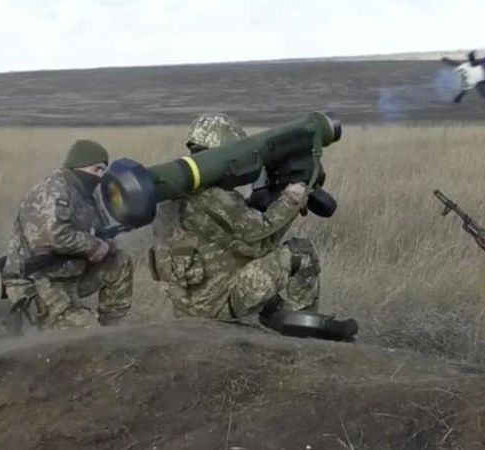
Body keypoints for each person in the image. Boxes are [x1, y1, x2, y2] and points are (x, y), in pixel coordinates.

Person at [149, 113, 351, 335]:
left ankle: (277, 316)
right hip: (216, 306)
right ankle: (304, 329)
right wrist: (291, 200)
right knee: (300, 252)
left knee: (249, 264)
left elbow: (229, 232)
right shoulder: (212, 196)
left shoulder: (174, 192)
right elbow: (259, 242)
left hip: (189, 304)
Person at [0, 139, 133, 331]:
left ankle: (112, 328)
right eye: (97, 169)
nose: (100, 176)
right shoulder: (54, 190)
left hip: (68, 274)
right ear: (80, 165)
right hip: (37, 281)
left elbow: (100, 229)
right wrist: (93, 245)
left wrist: (106, 245)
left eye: (103, 170)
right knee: (87, 333)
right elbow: (55, 236)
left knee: (119, 261)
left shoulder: (86, 194)